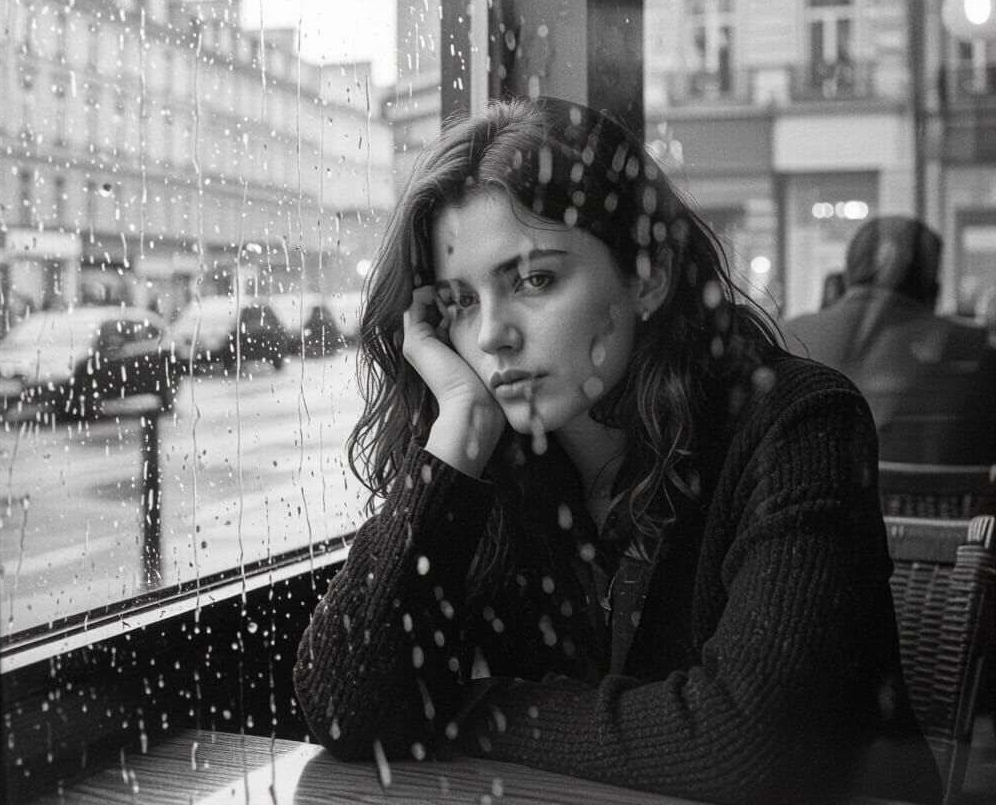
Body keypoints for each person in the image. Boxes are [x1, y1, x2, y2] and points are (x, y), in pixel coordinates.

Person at [294, 98, 940, 804]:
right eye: (459, 302)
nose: (491, 337)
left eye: (534, 280)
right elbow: (343, 705)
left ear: (648, 277)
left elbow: (746, 748)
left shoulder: (799, 423)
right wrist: (457, 436)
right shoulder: (503, 458)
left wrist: (466, 707)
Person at [785, 215, 996, 468]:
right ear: (934, 292)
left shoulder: (787, 337)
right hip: (950, 506)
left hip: (816, 503)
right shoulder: (978, 351)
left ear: (845, 279)